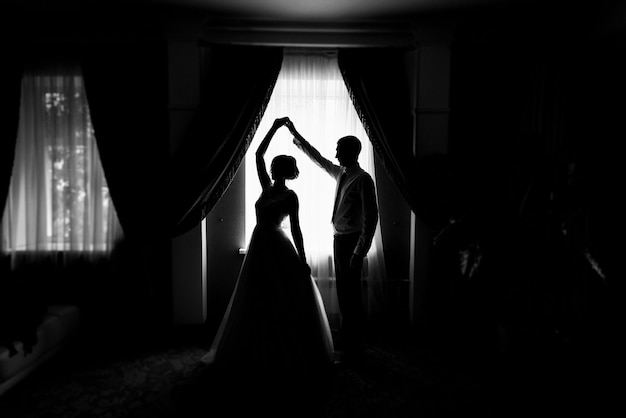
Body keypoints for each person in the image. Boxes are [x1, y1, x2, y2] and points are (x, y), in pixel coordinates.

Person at [200, 117, 334, 389]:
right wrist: (274, 127)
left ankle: (283, 354)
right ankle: (253, 350)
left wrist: (304, 259)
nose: (272, 169)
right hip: (259, 243)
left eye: (276, 167)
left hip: (277, 244)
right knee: (255, 296)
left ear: (285, 171)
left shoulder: (291, 196)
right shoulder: (265, 188)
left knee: (279, 298)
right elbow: (258, 154)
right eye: (272, 167)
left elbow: (296, 228)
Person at [287, 119, 379, 364]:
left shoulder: (363, 179)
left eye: (339, 149)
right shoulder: (341, 173)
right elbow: (317, 158)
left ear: (351, 152)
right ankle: (349, 344)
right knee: (344, 295)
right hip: (339, 241)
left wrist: (359, 252)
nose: (335, 153)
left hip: (352, 244)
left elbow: (371, 219)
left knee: (352, 298)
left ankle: (355, 348)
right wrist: (296, 134)